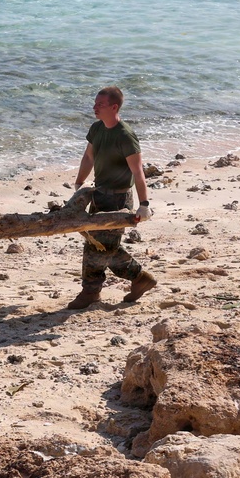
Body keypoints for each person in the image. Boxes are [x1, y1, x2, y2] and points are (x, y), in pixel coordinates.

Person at [67, 86, 156, 310]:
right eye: (95, 103)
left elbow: (138, 171)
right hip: (98, 195)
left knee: (100, 248)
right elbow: (88, 156)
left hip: (118, 199)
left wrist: (144, 204)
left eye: (100, 104)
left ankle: (91, 292)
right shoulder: (96, 129)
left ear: (114, 107)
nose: (95, 107)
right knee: (98, 245)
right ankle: (137, 279)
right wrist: (79, 182)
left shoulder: (125, 135)